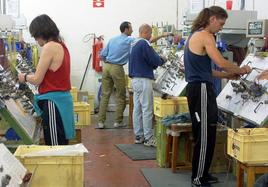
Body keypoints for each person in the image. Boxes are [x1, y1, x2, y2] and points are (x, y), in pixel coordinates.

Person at [183, 6, 251, 187]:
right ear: (212, 19)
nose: (221, 28)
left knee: (209, 132)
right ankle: (198, 178)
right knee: (204, 134)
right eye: (221, 23)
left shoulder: (195, 34)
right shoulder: (206, 35)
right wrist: (241, 69)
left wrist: (228, 75)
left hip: (200, 87)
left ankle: (203, 174)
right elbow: (220, 62)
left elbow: (209, 71)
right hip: (201, 90)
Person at [98, 21, 170, 129]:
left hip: (106, 66)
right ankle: (118, 121)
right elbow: (146, 40)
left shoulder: (112, 39)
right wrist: (162, 35)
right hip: (117, 68)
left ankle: (100, 122)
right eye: (131, 28)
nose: (132, 30)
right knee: (121, 95)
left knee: (105, 95)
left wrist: (109, 62)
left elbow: (102, 55)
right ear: (126, 29)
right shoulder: (130, 40)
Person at [18, 14, 75, 145]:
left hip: (53, 103)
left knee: (54, 146)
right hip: (61, 101)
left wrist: (24, 77)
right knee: (60, 142)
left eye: (35, 36)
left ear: (41, 32)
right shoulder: (61, 45)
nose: (37, 41)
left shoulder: (49, 47)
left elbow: (37, 79)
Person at [129, 24, 166, 147]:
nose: (150, 36)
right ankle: (149, 138)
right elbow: (153, 59)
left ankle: (139, 136)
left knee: (137, 108)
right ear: (145, 32)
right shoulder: (144, 43)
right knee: (147, 109)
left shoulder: (133, 43)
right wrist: (162, 60)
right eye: (150, 33)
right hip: (144, 79)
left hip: (135, 80)